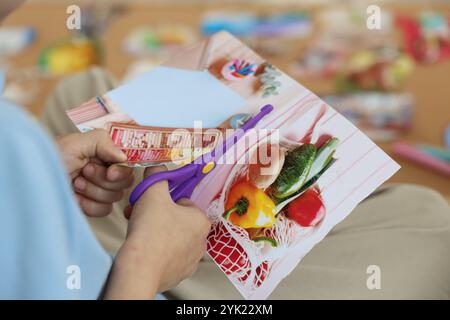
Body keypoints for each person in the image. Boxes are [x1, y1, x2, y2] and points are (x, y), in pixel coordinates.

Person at [0, 1, 211, 300]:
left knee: (81, 87)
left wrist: (37, 179)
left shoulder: (14, 137)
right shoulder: (13, 135)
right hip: (136, 282)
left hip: (95, 261)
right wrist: (147, 262)